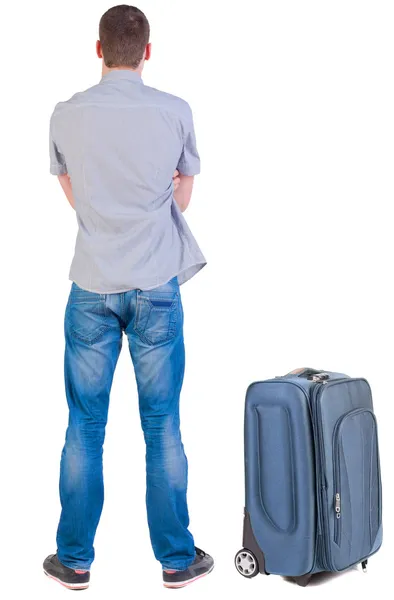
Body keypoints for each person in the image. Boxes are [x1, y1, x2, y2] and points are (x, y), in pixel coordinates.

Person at [43, 4, 213, 590]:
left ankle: (74, 560)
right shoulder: (175, 112)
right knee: (162, 425)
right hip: (156, 289)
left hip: (91, 286)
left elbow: (75, 196)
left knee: (84, 426)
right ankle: (175, 560)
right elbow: (181, 200)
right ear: (147, 52)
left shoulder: (66, 115)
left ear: (98, 50)